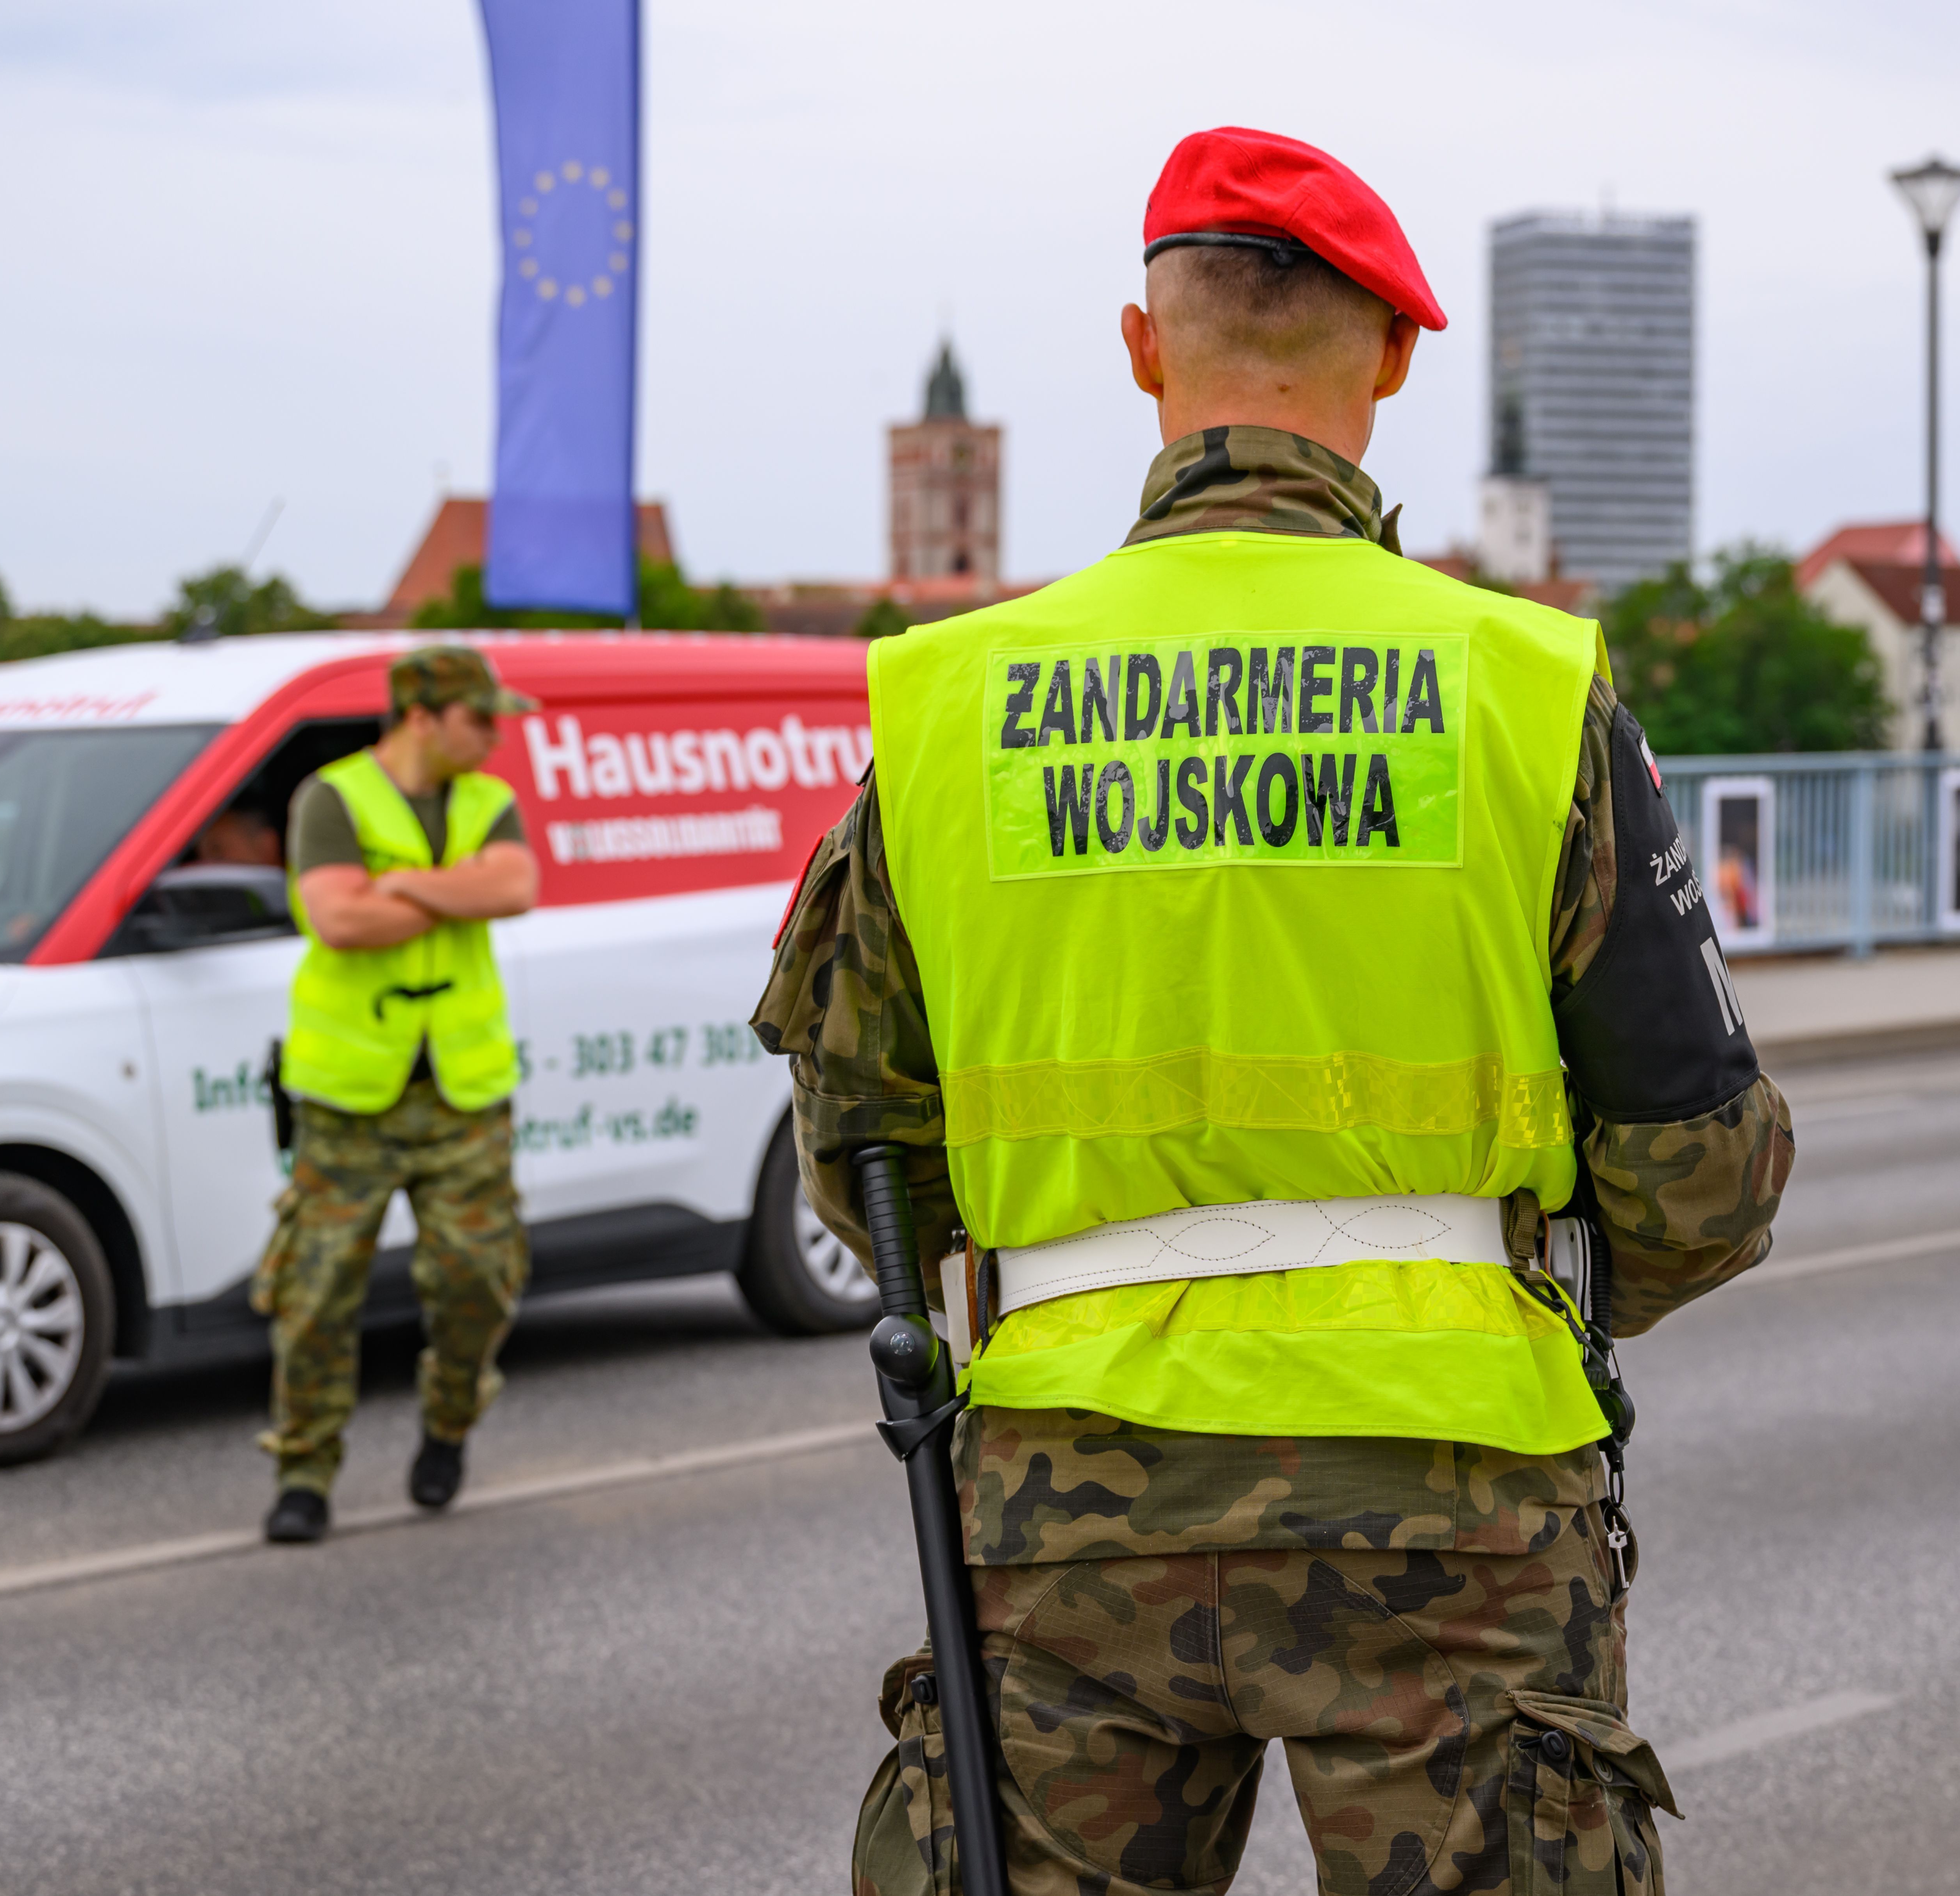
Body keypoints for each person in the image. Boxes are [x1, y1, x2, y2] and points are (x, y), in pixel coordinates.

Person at [754, 127, 1795, 1894]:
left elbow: (860, 1142)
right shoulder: (1521, 687)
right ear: (1393, 355)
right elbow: (1704, 1177)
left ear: (1142, 348)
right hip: (1454, 1494)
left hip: (1063, 1504)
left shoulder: (946, 700)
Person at [252, 645, 541, 1544]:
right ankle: (304, 1470)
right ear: (423, 715)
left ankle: (448, 1424)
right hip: (350, 1096)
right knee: (318, 1293)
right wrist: (462, 894)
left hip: (463, 1092)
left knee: (476, 1282)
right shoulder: (333, 797)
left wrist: (408, 883)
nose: (495, 736)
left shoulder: (489, 801)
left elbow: (518, 887)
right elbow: (336, 916)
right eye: (479, 718)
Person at [195, 805, 284, 867]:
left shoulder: (296, 888)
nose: (207, 867)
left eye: (217, 851)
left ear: (266, 845)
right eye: (200, 858)